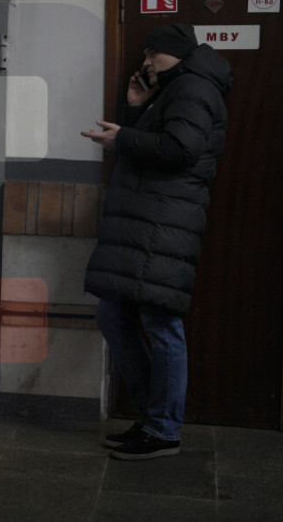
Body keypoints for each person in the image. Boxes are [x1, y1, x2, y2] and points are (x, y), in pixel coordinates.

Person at [81, 24, 232, 460]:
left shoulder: (193, 88)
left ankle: (163, 429)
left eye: (153, 53)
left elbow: (180, 150)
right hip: (150, 223)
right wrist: (134, 111)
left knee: (161, 324)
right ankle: (153, 418)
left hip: (164, 224)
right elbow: (157, 148)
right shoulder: (177, 88)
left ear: (177, 53)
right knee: (113, 315)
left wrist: (122, 136)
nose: (146, 62)